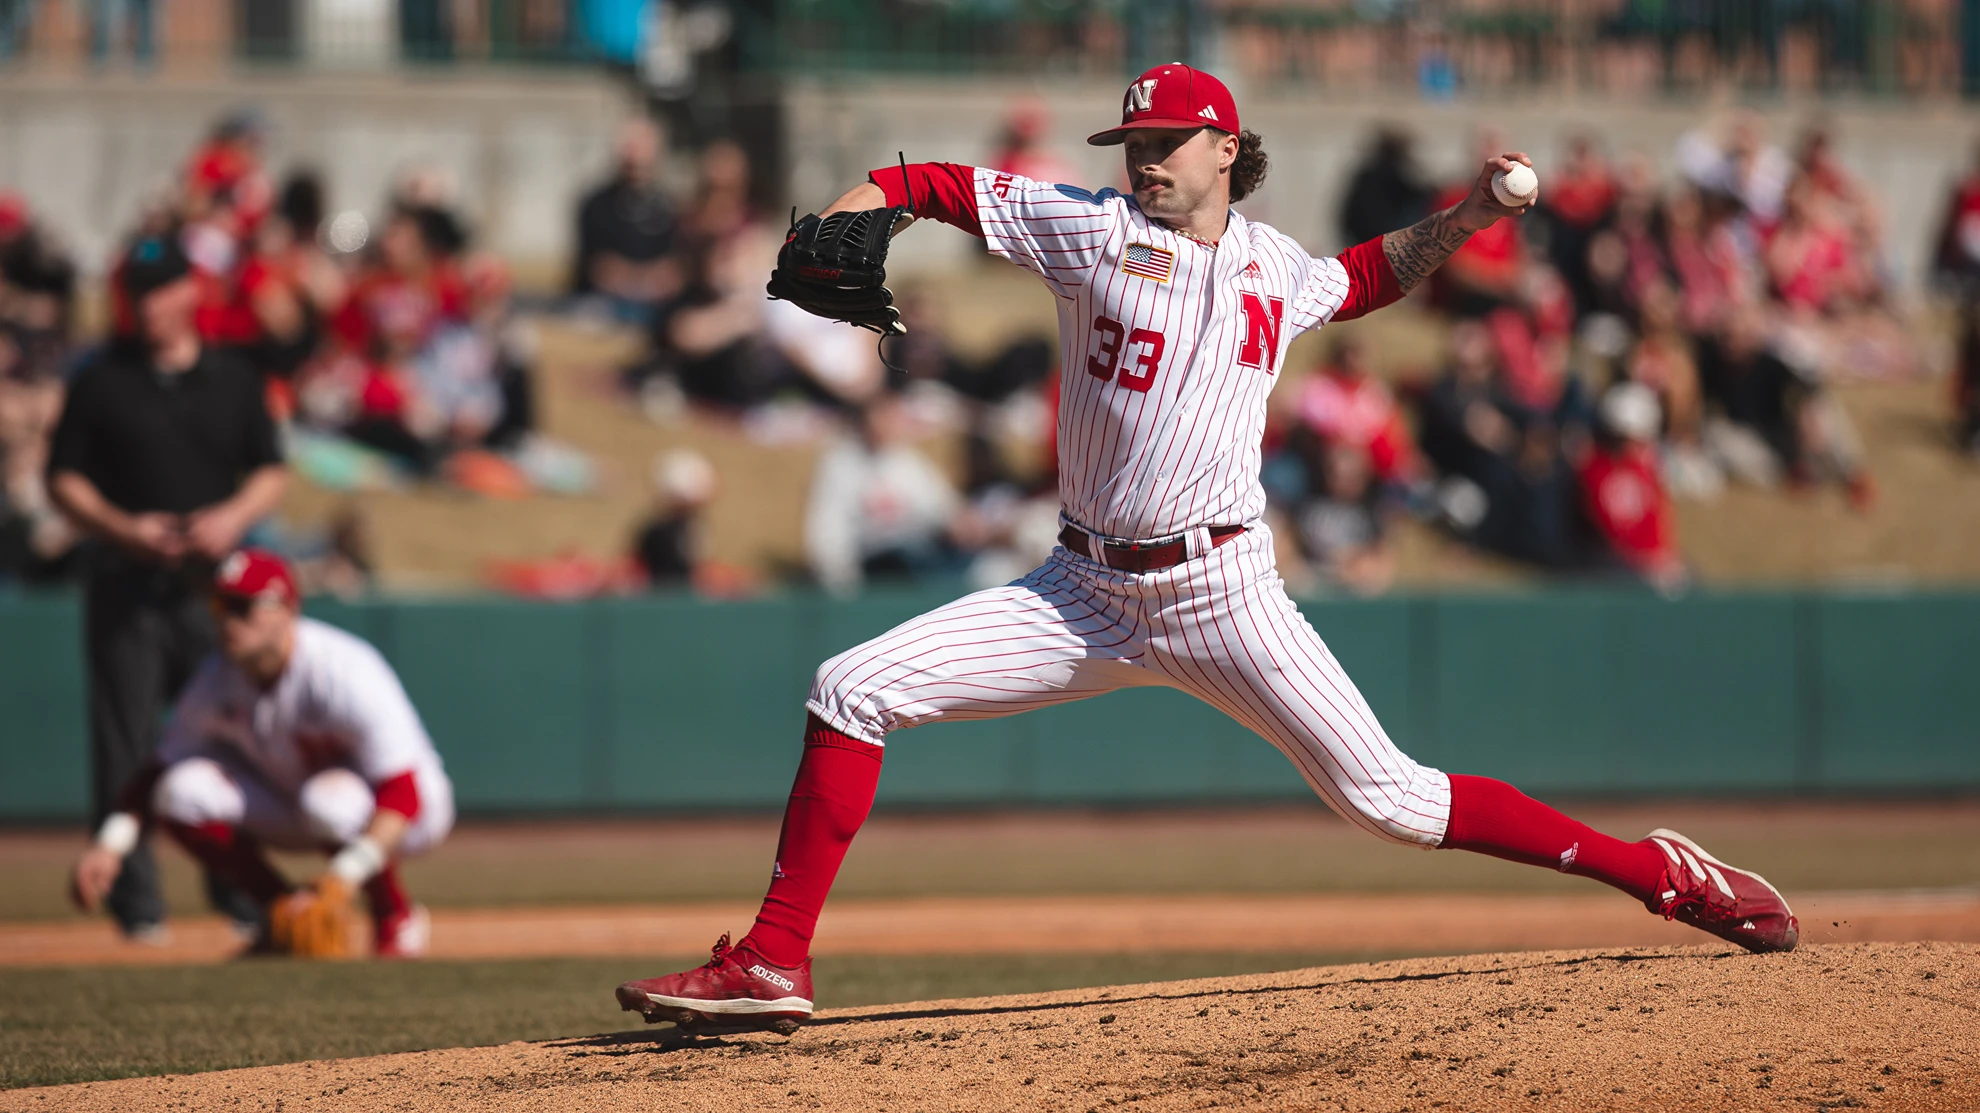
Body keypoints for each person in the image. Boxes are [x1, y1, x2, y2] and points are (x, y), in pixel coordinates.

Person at [616, 63, 1799, 1034]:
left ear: (1226, 148)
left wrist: (1476, 217)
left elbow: (1368, 275)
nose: (1145, 153)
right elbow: (926, 181)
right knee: (851, 687)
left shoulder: (1277, 265)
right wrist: (855, 201)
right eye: (1134, 135)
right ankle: (775, 958)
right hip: (1077, 588)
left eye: (1171, 136)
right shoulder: (1083, 231)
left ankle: (1658, 874)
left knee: (1391, 801)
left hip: (1222, 589)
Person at [46, 233, 288, 940]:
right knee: (124, 745)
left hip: (216, 589)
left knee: (231, 741)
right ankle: (136, 905)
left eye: (159, 290)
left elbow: (271, 468)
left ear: (190, 293)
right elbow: (62, 479)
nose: (147, 306)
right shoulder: (101, 378)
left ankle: (242, 894)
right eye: (137, 292)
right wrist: (123, 527)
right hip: (127, 580)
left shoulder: (233, 377)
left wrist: (231, 518)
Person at [69, 550, 454, 956]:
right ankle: (280, 911)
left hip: (407, 815)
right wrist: (109, 845)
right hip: (299, 802)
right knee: (182, 791)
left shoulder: (342, 669)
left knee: (329, 800)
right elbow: (158, 770)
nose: (226, 620)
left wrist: (342, 877)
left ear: (286, 610)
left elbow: (402, 790)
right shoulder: (217, 677)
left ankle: (394, 916)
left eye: (242, 606)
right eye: (219, 605)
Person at [571, 117, 682, 324]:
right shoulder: (597, 204)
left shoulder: (669, 205)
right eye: (630, 148)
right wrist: (645, 279)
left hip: (657, 305)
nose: (634, 157)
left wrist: (651, 280)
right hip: (603, 304)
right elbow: (601, 270)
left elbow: (674, 271)